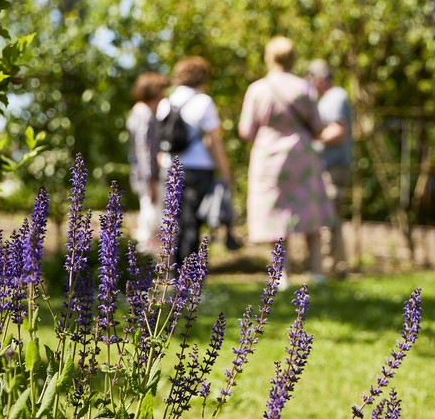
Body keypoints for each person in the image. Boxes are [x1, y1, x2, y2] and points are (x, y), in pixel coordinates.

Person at [238, 36, 335, 287]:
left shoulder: (258, 89)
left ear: (268, 57)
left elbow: (246, 131)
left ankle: (281, 276)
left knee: (275, 216)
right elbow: (316, 127)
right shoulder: (304, 88)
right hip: (301, 156)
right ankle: (317, 272)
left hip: (269, 158)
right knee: (309, 212)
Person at [156, 56, 232, 266]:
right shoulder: (203, 101)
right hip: (198, 169)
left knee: (173, 220)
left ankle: (172, 271)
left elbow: (160, 140)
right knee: (192, 222)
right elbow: (212, 140)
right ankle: (188, 277)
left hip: (170, 167)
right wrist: (225, 171)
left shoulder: (166, 102)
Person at [306, 59, 353, 277]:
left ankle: (330, 268)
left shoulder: (335, 97)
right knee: (331, 217)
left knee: (328, 217)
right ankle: (337, 267)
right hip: (328, 166)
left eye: (310, 79)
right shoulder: (329, 98)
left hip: (333, 167)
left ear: (321, 79)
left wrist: (310, 140)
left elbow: (337, 132)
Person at [127, 71, 169, 253]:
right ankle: (148, 263)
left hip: (142, 176)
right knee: (152, 221)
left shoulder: (138, 112)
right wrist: (151, 180)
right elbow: (145, 150)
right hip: (149, 178)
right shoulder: (145, 114)